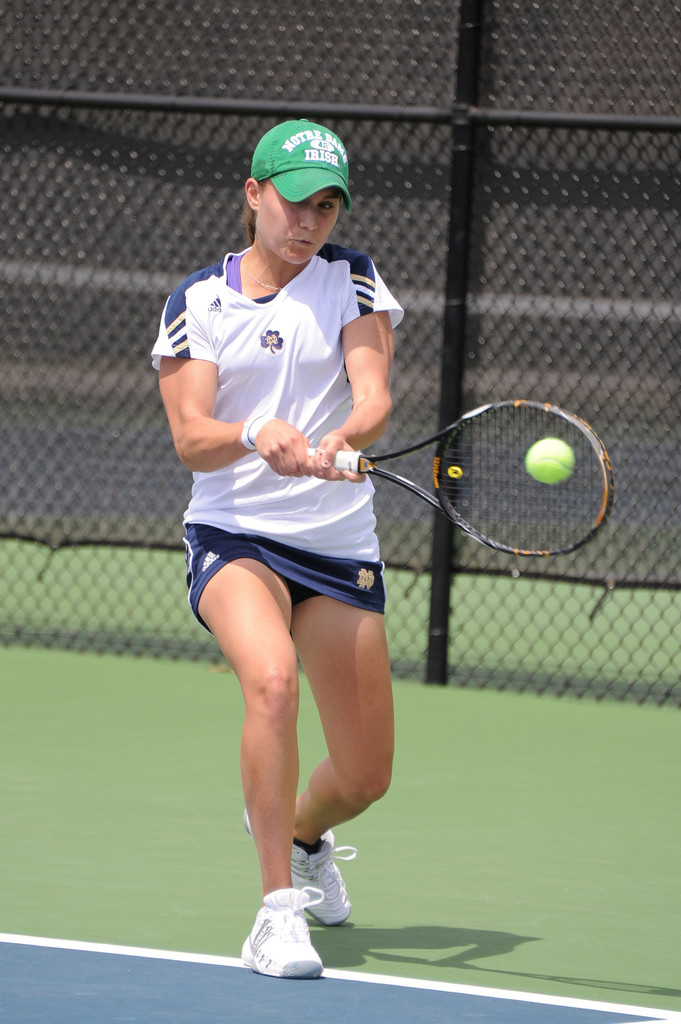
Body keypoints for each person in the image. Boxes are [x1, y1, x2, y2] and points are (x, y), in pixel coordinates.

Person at [151, 119, 403, 979]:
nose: (309, 223)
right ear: (253, 193)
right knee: (268, 682)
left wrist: (338, 436)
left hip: (336, 546)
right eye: (295, 202)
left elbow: (372, 397)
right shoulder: (198, 302)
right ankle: (273, 913)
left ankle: (300, 835)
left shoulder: (353, 279)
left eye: (326, 206)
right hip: (234, 535)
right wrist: (257, 430)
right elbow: (191, 438)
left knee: (366, 775)